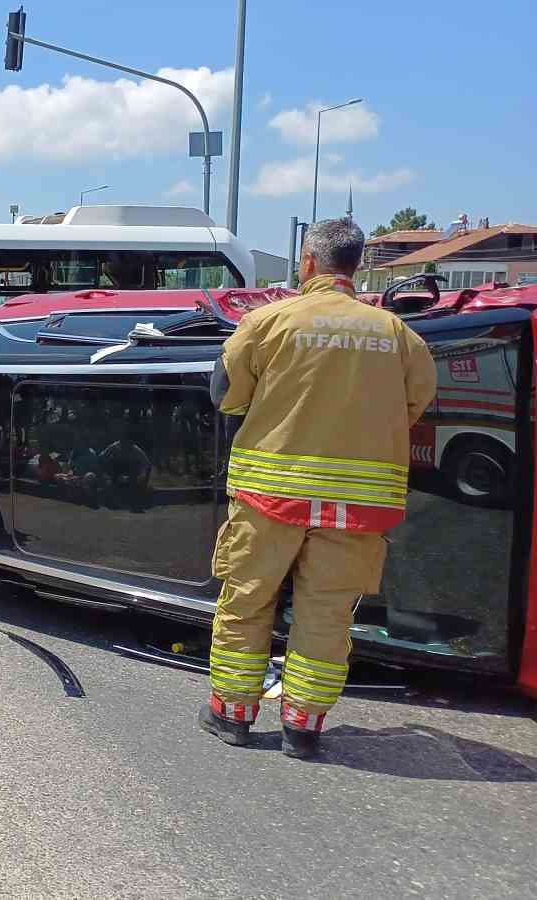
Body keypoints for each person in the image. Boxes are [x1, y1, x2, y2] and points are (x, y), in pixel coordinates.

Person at [199, 219, 437, 759]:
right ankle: (303, 726)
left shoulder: (269, 321)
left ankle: (232, 714)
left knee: (248, 601)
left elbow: (227, 394)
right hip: (359, 504)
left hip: (269, 495)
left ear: (308, 263)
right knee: (327, 613)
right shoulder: (399, 335)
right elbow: (413, 405)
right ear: (355, 266)